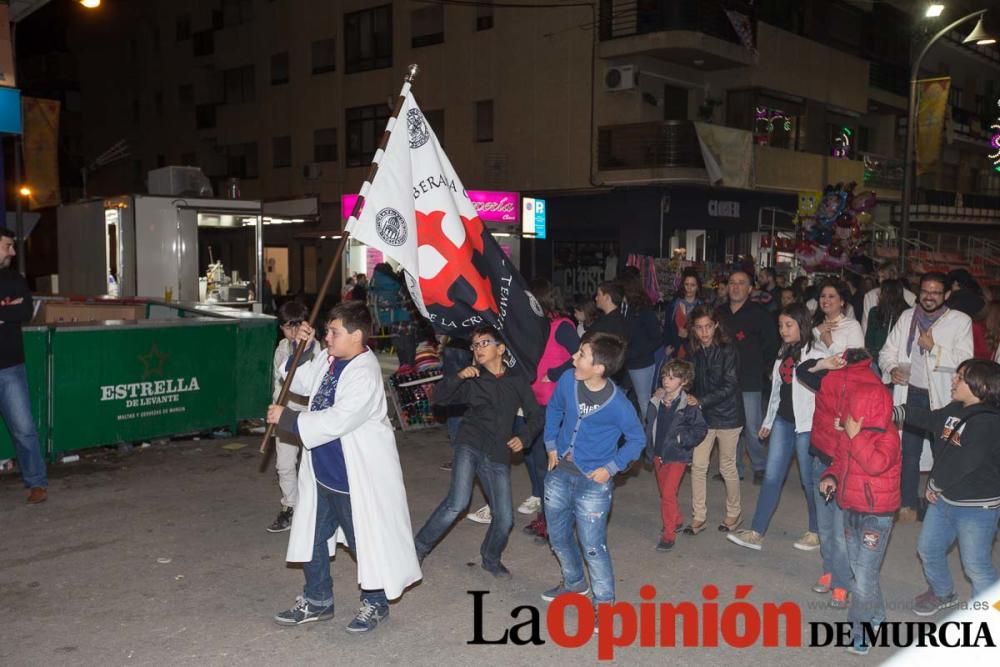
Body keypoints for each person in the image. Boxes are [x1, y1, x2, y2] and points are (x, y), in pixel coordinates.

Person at [266, 302, 421, 633]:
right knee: (312, 537)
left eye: (334, 332)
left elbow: (338, 419)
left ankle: (375, 603)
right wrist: (300, 346)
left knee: (365, 541)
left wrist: (289, 417)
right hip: (324, 471)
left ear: (357, 335)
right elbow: (303, 382)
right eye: (327, 331)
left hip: (354, 477)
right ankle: (318, 599)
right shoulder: (330, 357)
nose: (327, 337)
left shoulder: (364, 373)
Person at [414, 326, 543, 579]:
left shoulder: (517, 381)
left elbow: (536, 415)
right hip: (469, 444)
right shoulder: (472, 378)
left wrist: (523, 437)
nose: (479, 349)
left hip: (497, 453)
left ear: (501, 348)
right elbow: (439, 399)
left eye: (484, 343)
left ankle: (490, 557)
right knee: (458, 502)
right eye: (475, 345)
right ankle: (418, 548)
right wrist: (459, 376)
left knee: (505, 518)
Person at [540, 331, 645, 613]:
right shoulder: (567, 381)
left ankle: (604, 604)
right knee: (557, 535)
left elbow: (637, 439)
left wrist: (611, 468)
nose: (573, 358)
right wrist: (551, 444)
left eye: (581, 355)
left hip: (593, 483)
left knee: (593, 547)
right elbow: (554, 410)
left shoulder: (619, 405)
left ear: (599, 368)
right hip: (559, 473)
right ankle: (574, 583)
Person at [892, 359, 1000, 615]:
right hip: (945, 499)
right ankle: (943, 593)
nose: (954, 380)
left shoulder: (990, 422)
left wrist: (936, 484)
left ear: (981, 385)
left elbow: (966, 462)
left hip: (977, 507)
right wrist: (899, 412)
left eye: (960, 377)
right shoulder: (956, 408)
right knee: (928, 550)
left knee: (975, 566)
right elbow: (931, 419)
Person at [818, 366, 901, 657]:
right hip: (849, 508)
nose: (848, 411)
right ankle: (876, 616)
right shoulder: (850, 433)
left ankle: (860, 631)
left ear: (868, 409)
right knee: (859, 570)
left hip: (876, 515)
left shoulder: (889, 437)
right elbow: (840, 462)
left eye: (853, 406)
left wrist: (856, 437)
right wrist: (830, 477)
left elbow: (875, 464)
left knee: (864, 574)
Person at [727, 303, 824, 552]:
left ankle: (816, 531)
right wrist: (768, 421)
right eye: (780, 325)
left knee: (808, 480)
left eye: (788, 325)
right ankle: (756, 532)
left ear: (802, 325)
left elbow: (825, 392)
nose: (782, 330)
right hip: (783, 420)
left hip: (807, 424)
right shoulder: (784, 352)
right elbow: (777, 392)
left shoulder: (818, 353)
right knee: (771, 477)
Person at [879, 272, 974, 522]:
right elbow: (887, 351)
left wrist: (934, 349)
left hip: (943, 399)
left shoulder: (959, 321)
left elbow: (966, 361)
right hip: (911, 394)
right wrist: (891, 369)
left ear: (946, 295)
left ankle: (941, 506)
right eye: (925, 291)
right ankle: (907, 504)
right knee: (908, 452)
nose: (929, 296)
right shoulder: (908, 317)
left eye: (935, 292)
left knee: (943, 452)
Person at [796, 349, 879, 610]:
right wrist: (823, 363)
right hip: (822, 456)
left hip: (847, 462)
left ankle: (842, 583)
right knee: (824, 525)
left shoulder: (871, 382)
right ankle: (829, 570)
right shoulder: (828, 375)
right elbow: (801, 371)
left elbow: (880, 420)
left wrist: (853, 429)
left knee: (842, 531)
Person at [521, 278, 579, 540]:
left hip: (555, 405)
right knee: (536, 462)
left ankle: (557, 521)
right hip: (535, 402)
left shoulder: (563, 326)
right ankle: (547, 516)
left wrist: (554, 373)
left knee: (552, 466)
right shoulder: (540, 327)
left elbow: (579, 358)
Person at [715, 270, 778, 485]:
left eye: (741, 283)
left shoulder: (759, 314)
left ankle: (760, 466)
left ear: (750, 289)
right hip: (725, 380)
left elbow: (771, 345)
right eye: (732, 282)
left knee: (752, 428)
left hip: (750, 379)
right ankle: (733, 468)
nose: (735, 286)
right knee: (730, 428)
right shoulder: (720, 312)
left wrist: (765, 370)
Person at [685, 306, 744, 534]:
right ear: (694, 329)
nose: (704, 332)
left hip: (729, 415)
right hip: (705, 416)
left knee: (727, 466)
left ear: (716, 325)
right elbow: (693, 380)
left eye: (708, 326)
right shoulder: (695, 351)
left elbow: (730, 385)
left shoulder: (728, 350)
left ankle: (734, 513)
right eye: (699, 328)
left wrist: (699, 400)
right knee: (698, 466)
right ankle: (699, 516)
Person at [0, 227, 47, 504]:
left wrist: (8, 311)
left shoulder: (15, 279)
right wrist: (6, 309)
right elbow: (12, 311)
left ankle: (37, 483)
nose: (13, 252)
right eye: (8, 246)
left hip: (10, 367)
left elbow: (25, 311)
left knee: (24, 428)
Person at [267, 301, 322, 533]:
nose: (292, 333)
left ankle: (316, 509)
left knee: (313, 466)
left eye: (296, 326)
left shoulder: (318, 349)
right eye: (287, 328)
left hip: (308, 414)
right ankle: (290, 506)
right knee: (284, 464)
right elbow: (278, 381)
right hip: (285, 412)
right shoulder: (281, 349)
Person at [643, 360, 707, 552]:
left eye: (672, 377)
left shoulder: (689, 404)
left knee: (668, 494)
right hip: (659, 454)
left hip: (677, 455)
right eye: (664, 376)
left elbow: (701, 428)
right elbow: (650, 424)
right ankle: (677, 519)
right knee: (665, 492)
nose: (666, 381)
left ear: (684, 381)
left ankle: (669, 534)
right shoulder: (657, 400)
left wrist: (682, 438)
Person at [621, 273, 661, 419]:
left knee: (644, 402)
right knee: (621, 399)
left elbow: (657, 337)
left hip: (641, 363)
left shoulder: (642, 309)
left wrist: (635, 352)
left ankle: (649, 436)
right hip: (624, 362)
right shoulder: (622, 307)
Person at [370, 264, 414, 367]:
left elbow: (371, 302)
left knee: (401, 357)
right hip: (406, 323)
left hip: (391, 324)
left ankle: (403, 371)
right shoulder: (397, 282)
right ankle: (409, 375)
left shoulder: (375, 283)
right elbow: (407, 304)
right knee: (410, 357)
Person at [812, 279, 864, 356]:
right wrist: (816, 331)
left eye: (831, 296)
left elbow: (855, 361)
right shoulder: (814, 323)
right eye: (823, 296)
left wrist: (830, 344)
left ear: (842, 301)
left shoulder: (852, 326)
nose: (825, 300)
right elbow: (803, 352)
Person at [861, 261, 916, 334]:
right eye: (879, 277)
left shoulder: (910, 297)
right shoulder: (870, 296)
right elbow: (865, 325)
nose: (880, 281)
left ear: (893, 276)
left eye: (883, 277)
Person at [864, 278, 907, 364]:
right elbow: (869, 342)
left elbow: (869, 342)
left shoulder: (907, 315)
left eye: (881, 291)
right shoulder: (875, 312)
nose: (878, 294)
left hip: (898, 362)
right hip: (877, 361)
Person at [662, 269, 702, 360]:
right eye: (686, 284)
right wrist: (667, 345)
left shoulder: (701, 308)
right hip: (675, 353)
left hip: (694, 355)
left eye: (693, 285)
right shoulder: (673, 305)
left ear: (698, 287)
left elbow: (705, 334)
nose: (689, 288)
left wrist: (688, 335)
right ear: (682, 286)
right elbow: (667, 327)